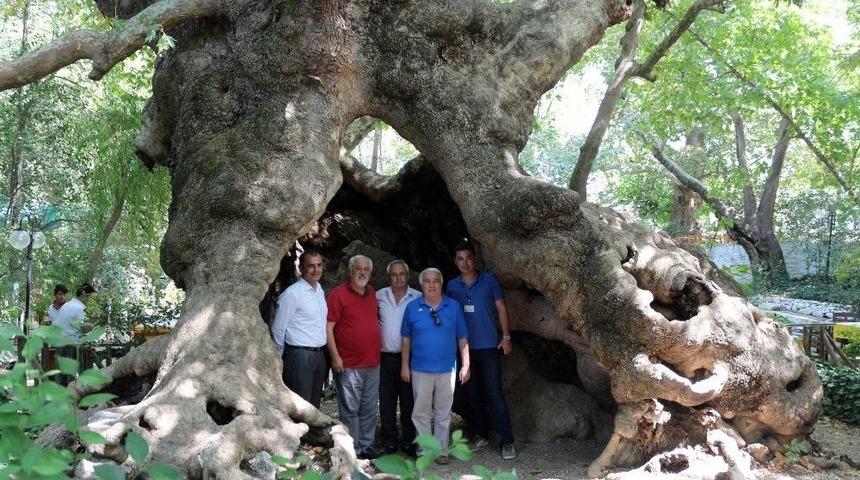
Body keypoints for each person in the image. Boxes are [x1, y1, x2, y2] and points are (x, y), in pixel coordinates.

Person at [445, 239, 517, 460]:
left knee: (494, 394)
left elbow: (501, 308)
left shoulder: (489, 281)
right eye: (460, 259)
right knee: (472, 394)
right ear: (455, 262)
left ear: (474, 259)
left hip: (488, 347)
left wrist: (506, 337)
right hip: (464, 349)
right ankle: (481, 434)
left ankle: (507, 441)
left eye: (468, 258)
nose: (465, 263)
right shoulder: (452, 286)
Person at [401, 268, 470, 465]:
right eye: (427, 281)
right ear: (421, 285)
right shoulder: (412, 308)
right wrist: (404, 366)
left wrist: (466, 365)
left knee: (443, 413)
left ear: (441, 284)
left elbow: (462, 338)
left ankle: (441, 451)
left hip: (447, 369)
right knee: (420, 413)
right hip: (420, 369)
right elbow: (406, 339)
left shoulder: (454, 306)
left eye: (436, 281)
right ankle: (424, 451)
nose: (431, 284)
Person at [327, 255, 381, 460]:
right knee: (350, 409)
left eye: (366, 269)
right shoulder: (338, 294)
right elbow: (329, 328)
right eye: (358, 268)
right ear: (351, 271)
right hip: (348, 364)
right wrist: (335, 357)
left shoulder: (372, 292)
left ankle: (366, 447)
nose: (362, 272)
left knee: (368, 408)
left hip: (373, 363)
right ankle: (353, 448)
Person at [270, 250, 328, 408]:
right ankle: (300, 433)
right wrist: (279, 360)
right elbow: (278, 329)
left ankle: (310, 434)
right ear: (301, 269)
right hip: (299, 357)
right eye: (311, 266)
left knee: (314, 406)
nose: (316, 270)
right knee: (300, 407)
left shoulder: (319, 291)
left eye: (319, 265)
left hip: (319, 355)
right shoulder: (292, 294)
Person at [376, 260, 420, 455]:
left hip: (409, 358)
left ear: (407, 276)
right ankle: (389, 442)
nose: (398, 278)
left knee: (409, 401)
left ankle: (409, 441)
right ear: (389, 277)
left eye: (402, 274)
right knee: (386, 402)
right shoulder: (379, 297)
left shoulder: (418, 298)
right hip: (384, 357)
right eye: (394, 274)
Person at [54, 283, 96, 385]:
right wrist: (95, 323)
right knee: (74, 375)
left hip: (60, 344)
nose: (89, 300)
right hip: (72, 345)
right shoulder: (79, 308)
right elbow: (84, 329)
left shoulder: (66, 305)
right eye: (89, 296)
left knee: (62, 375)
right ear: (84, 294)